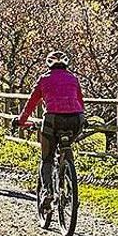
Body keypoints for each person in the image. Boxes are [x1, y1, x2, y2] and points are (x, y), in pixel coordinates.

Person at [15, 54, 85, 215]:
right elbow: (80, 101)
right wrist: (83, 118)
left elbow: (31, 103)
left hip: (53, 119)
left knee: (47, 158)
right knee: (66, 146)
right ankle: (66, 169)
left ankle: (48, 192)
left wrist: (21, 121)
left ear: (49, 65)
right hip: (76, 119)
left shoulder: (43, 79)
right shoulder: (73, 78)